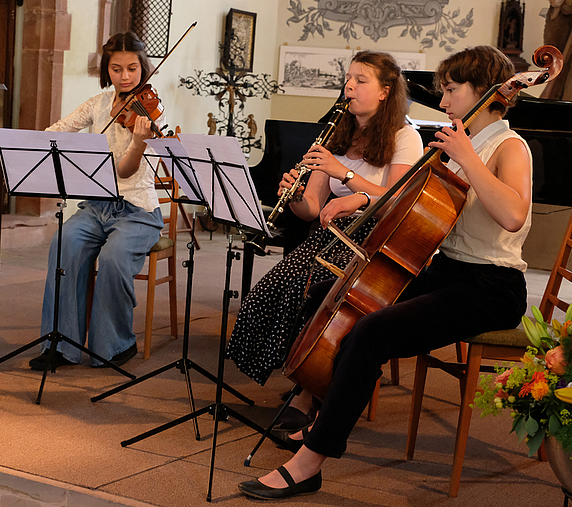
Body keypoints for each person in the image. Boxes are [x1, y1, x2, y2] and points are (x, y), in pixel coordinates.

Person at [237, 45, 532, 500]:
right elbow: (410, 209)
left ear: (487, 92)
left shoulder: (509, 146)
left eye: (451, 90)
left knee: (371, 331)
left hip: (492, 285)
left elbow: (513, 215)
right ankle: (319, 406)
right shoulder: (460, 144)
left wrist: (467, 159)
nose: (444, 101)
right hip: (446, 269)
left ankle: (312, 460)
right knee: (330, 297)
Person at [225, 51, 423, 430]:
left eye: (360, 80)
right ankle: (303, 376)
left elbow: (398, 199)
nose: (349, 86)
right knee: (273, 288)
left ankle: (308, 392)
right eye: (348, 78)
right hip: (331, 235)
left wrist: (344, 174)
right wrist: (295, 195)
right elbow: (313, 208)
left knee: (311, 294)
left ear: (385, 91)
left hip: (376, 242)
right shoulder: (337, 133)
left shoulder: (405, 136)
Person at [29, 32, 165, 370]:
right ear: (107, 70)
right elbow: (56, 130)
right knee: (65, 243)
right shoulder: (98, 104)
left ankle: (115, 344)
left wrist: (138, 142)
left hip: (138, 212)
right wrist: (53, 143)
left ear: (142, 68)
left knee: (114, 258)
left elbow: (126, 172)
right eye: (116, 69)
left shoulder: (150, 114)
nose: (125, 77)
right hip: (97, 206)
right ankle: (61, 345)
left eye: (132, 68)